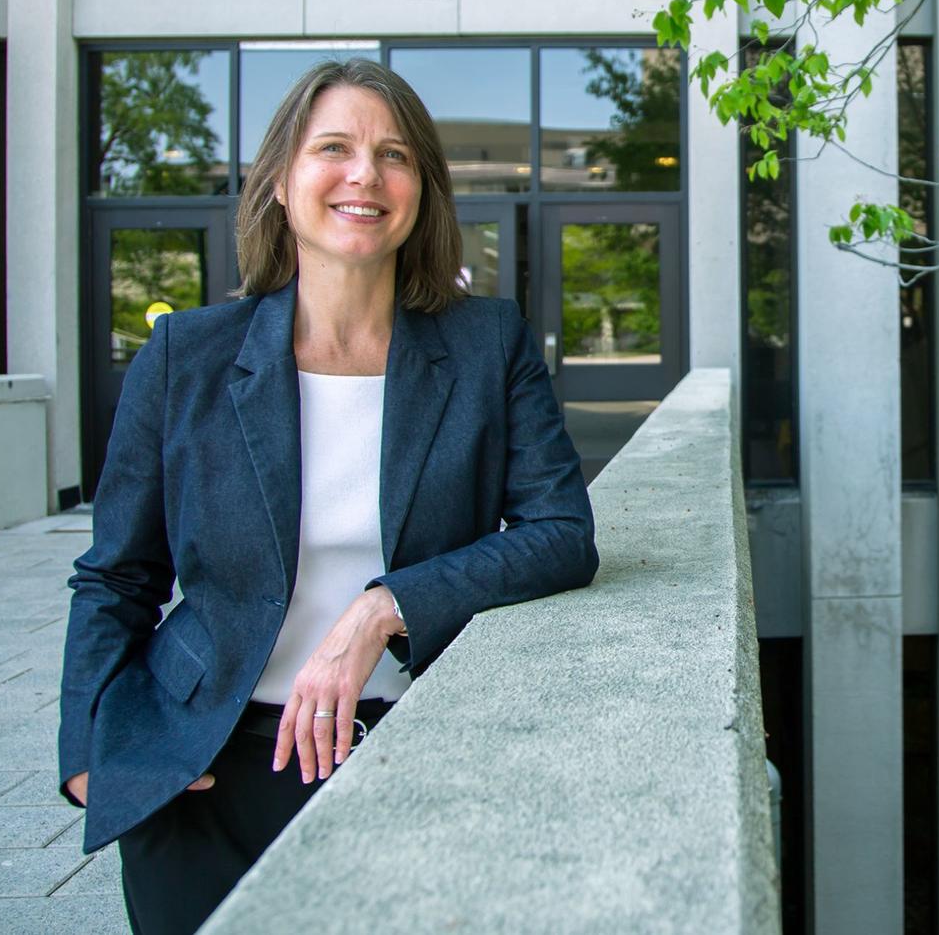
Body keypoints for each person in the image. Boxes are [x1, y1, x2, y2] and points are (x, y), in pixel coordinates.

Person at [57, 58, 598, 935]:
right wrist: (91, 751)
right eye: (334, 148)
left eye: (393, 155)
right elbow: (116, 575)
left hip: (409, 754)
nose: (364, 176)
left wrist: (384, 607)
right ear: (280, 180)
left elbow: (562, 533)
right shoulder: (183, 357)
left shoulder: (485, 344)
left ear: (421, 188)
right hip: (203, 772)